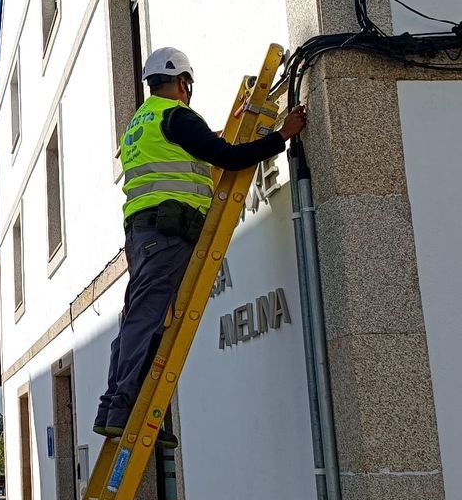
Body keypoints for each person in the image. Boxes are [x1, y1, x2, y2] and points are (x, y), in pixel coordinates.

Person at [95, 47, 307, 446]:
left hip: (145, 233)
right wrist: (281, 136)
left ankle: (133, 408)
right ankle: (122, 407)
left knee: (143, 317)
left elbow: (191, 152)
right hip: (168, 230)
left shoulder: (140, 123)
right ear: (182, 83)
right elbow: (226, 158)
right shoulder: (176, 115)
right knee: (146, 318)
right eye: (188, 86)